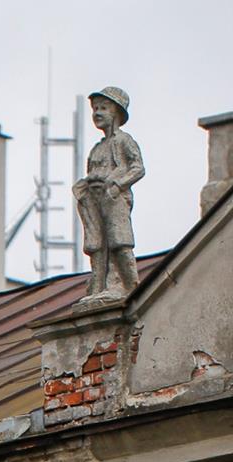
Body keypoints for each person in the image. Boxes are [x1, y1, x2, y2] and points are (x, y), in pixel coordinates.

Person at [72, 86, 145, 306]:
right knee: (95, 242)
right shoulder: (97, 148)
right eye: (95, 108)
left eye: (103, 108)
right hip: (94, 198)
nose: (97, 113)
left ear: (116, 113)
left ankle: (125, 285)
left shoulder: (123, 140)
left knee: (118, 241)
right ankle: (98, 285)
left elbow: (138, 168)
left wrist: (117, 185)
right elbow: (92, 172)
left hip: (113, 197)